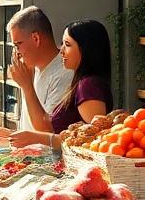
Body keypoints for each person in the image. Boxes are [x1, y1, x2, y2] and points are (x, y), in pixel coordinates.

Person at [8, 19, 114, 151]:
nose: (61, 51)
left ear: (86, 50)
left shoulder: (89, 86)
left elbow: (93, 140)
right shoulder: (83, 82)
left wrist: (38, 138)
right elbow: (47, 125)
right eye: (62, 44)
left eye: (68, 45)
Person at [0, 6, 70, 140]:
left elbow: (48, 129)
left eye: (18, 44)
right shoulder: (32, 69)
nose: (17, 52)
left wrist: (27, 86)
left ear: (36, 38)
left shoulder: (65, 73)